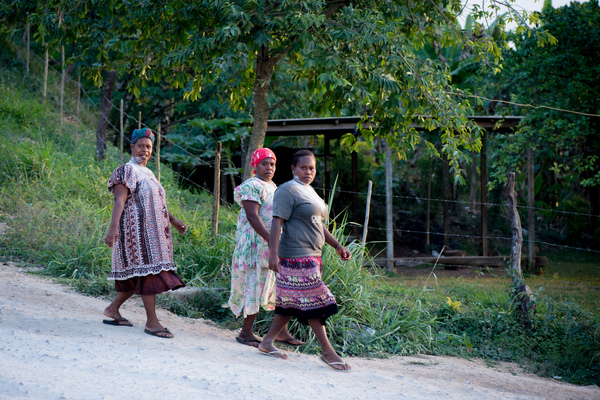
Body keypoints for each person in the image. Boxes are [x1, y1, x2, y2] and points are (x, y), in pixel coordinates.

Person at [257, 149, 352, 371]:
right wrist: (273, 253)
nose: (308, 172)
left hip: (314, 254)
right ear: (293, 169)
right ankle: (328, 351)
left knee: (290, 302)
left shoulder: (310, 192)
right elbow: (276, 222)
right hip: (295, 255)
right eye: (303, 167)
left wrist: (337, 245)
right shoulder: (287, 190)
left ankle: (267, 341)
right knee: (315, 302)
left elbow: (319, 224)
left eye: (312, 168)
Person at [103, 128, 187, 339]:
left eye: (149, 147)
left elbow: (157, 203)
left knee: (137, 276)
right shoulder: (126, 170)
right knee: (148, 274)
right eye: (141, 145)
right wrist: (113, 229)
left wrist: (174, 221)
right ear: (131, 146)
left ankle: (112, 310)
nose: (145, 150)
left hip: (153, 235)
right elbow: (119, 200)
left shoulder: (148, 173)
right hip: (136, 235)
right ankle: (151, 322)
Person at [227, 148, 303, 348]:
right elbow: (253, 216)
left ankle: (281, 332)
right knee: (254, 283)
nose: (269, 167)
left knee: (275, 284)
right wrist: (271, 239)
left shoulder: (273, 186)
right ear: (255, 165)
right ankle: (245, 332)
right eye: (264, 163)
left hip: (269, 242)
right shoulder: (252, 185)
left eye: (272, 164)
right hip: (254, 243)